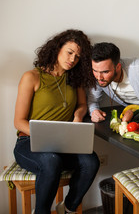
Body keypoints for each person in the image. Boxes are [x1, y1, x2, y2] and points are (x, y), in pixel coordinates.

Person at [13, 29, 100, 214]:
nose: (72, 59)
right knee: (51, 161)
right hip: (28, 143)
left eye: (77, 56)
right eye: (70, 52)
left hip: (64, 144)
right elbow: (19, 122)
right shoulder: (32, 77)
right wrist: (44, 137)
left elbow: (83, 105)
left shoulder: (75, 79)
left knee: (91, 161)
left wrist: (77, 116)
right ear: (57, 48)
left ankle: (67, 208)